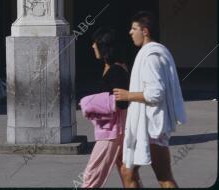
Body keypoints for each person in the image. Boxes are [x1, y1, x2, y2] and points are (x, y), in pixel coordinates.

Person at [113, 11, 187, 188]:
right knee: (126, 170)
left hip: (152, 127)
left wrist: (127, 95)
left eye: (134, 28)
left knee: (163, 177)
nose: (131, 32)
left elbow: (156, 93)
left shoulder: (151, 57)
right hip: (145, 125)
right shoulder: (151, 52)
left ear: (145, 31)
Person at [79, 27, 130, 188]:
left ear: (104, 46)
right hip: (116, 129)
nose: (92, 46)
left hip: (111, 132)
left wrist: (89, 102)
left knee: (91, 176)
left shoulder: (116, 70)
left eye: (95, 43)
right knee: (127, 173)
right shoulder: (113, 67)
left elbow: (121, 101)